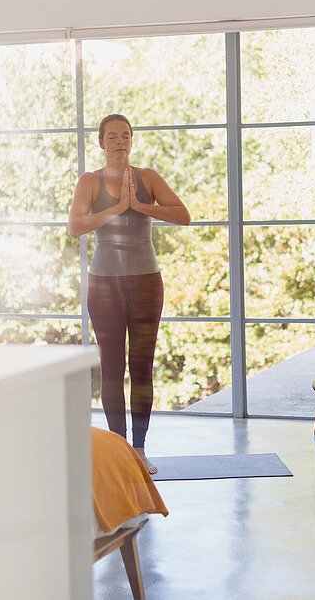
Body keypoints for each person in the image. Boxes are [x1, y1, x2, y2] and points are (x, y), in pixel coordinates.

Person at [68, 114, 191, 474]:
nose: (120, 141)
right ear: (101, 142)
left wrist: (139, 206)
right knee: (111, 368)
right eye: (112, 136)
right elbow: (75, 227)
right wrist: (116, 208)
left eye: (126, 135)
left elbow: (183, 215)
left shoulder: (147, 178)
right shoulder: (89, 182)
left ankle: (138, 449)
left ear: (131, 140)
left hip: (145, 282)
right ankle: (119, 448)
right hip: (104, 285)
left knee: (141, 367)